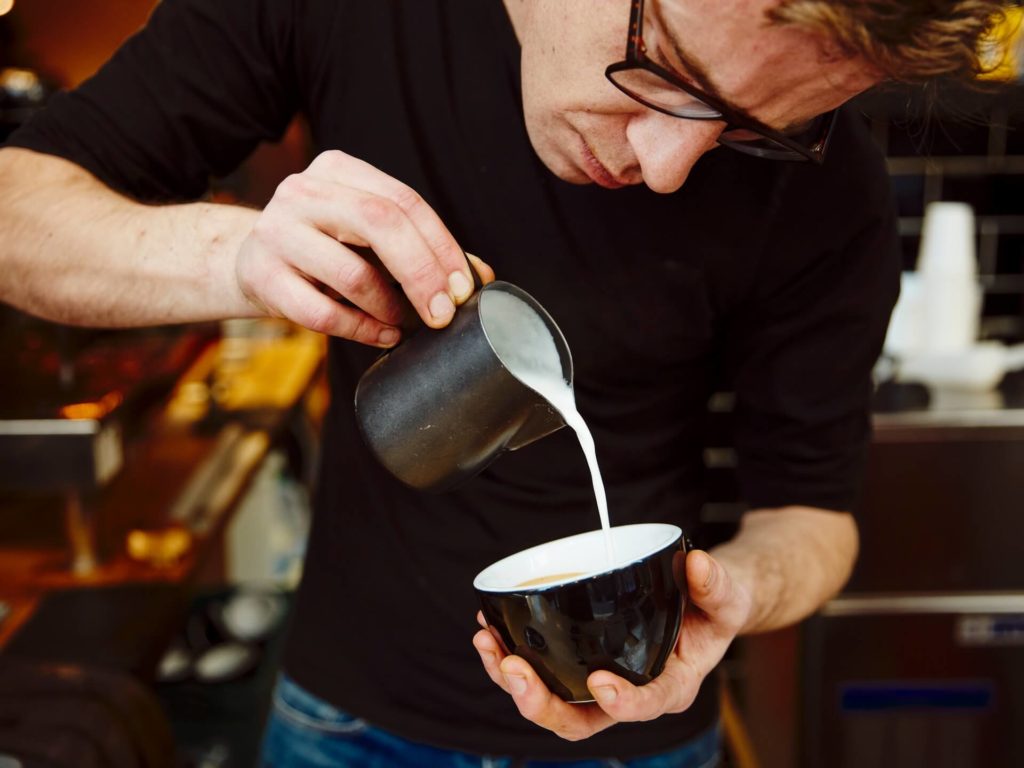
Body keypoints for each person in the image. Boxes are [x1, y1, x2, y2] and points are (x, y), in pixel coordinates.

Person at [0, 1, 1003, 765]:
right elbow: (15, 208)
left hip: (640, 745)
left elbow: (813, 515)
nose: (664, 167)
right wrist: (238, 258)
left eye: (747, 129)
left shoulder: (830, 188)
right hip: (348, 719)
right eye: (664, 70)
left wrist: (736, 594)